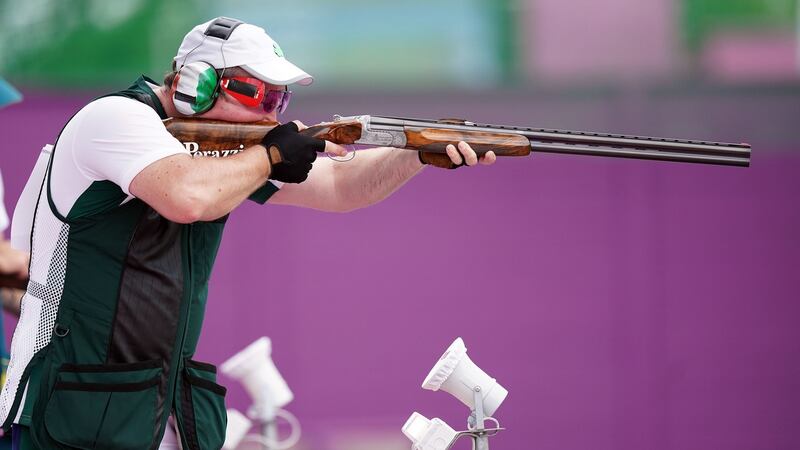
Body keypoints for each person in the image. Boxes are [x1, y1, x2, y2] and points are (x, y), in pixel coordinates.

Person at [0, 17, 496, 449]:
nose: (272, 114)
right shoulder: (115, 117)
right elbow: (188, 196)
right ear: (197, 84)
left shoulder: (223, 156)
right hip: (61, 413)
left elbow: (343, 187)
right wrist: (272, 156)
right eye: (259, 95)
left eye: (281, 98)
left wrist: (417, 152)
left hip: (149, 414)